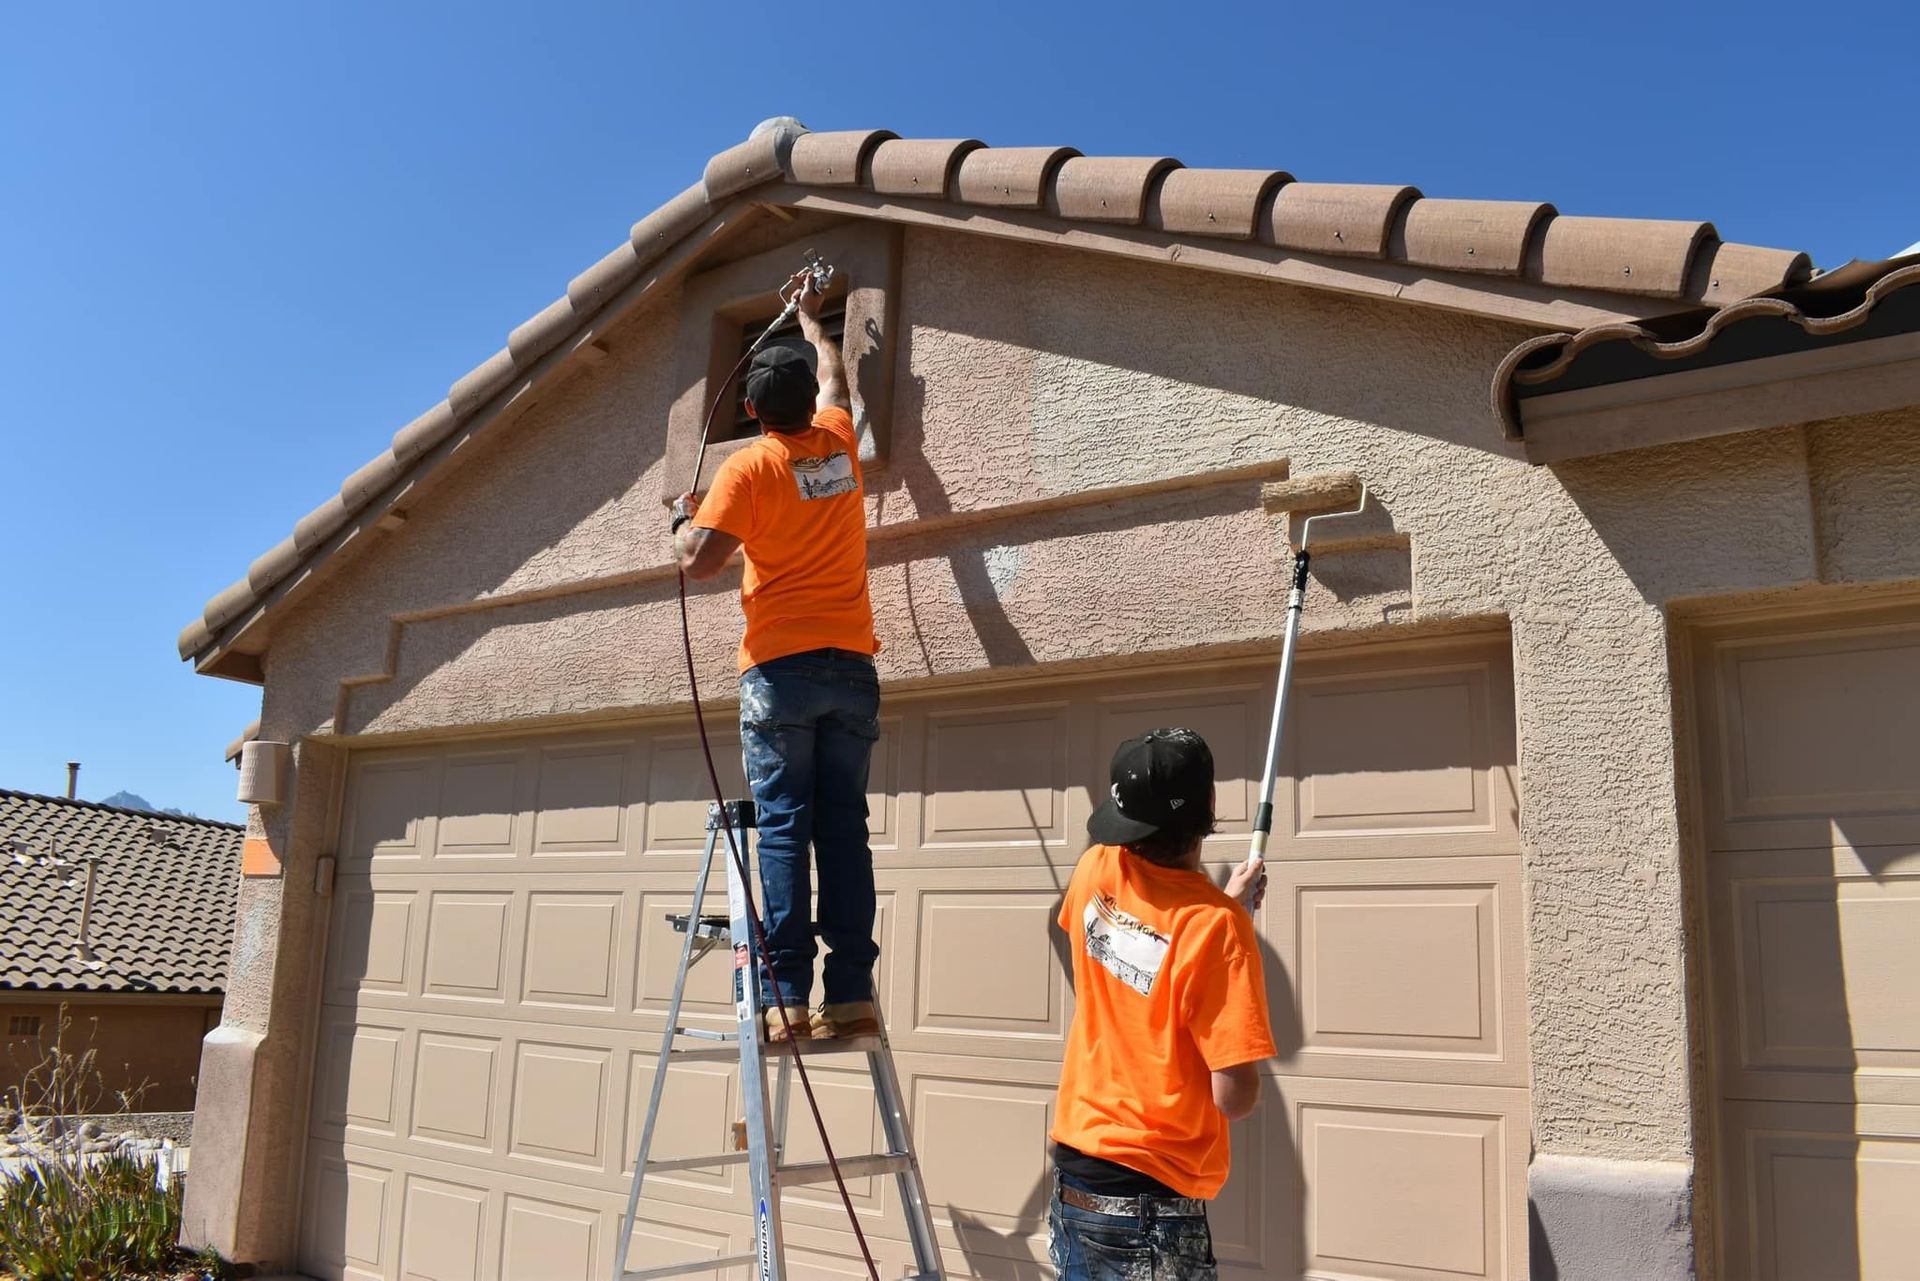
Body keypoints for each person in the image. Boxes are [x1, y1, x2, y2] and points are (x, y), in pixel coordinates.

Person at [671, 269, 881, 1043]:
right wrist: (812, 320)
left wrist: (679, 526)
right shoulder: (838, 442)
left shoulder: (749, 467)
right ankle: (852, 995)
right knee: (844, 830)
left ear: (752, 409)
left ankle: (787, 996)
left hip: (779, 670)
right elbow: (834, 372)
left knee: (788, 826)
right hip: (851, 666)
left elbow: (700, 561)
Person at [1048, 728, 1276, 1280]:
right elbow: (1234, 1098)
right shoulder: (1216, 929)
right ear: (1211, 807)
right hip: (1152, 1201)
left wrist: (1223, 905)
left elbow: (1145, 941)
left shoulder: (1095, 868)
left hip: (1076, 1179)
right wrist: (1226, 914)